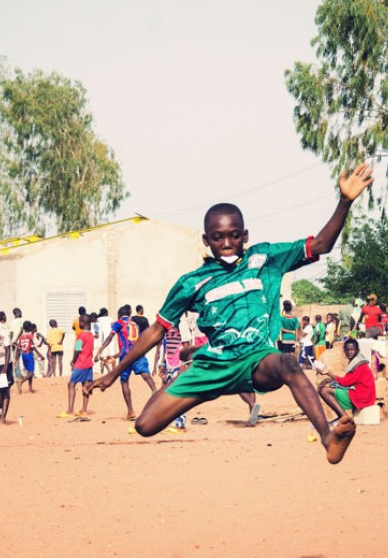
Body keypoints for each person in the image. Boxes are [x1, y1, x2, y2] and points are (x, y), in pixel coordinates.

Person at [87, 163, 373, 464]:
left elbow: (322, 244)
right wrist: (114, 372)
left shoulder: (265, 259)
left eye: (234, 236)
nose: (226, 244)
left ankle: (328, 437)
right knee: (145, 426)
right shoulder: (191, 283)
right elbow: (156, 331)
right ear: (206, 240)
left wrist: (345, 201)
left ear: (244, 235)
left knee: (288, 363)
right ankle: (195, 389)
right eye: (218, 237)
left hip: (256, 360)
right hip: (212, 367)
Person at [95, 304, 157, 420]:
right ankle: (154, 390)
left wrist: (100, 349)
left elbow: (110, 337)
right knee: (145, 374)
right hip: (138, 352)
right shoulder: (134, 324)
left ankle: (131, 411)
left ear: (119, 315)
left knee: (124, 381)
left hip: (126, 355)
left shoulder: (119, 323)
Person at [316, 338, 375, 422]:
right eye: (347, 350)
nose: (350, 352)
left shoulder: (359, 365)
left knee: (324, 391)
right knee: (330, 387)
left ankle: (343, 416)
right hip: (361, 393)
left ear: (357, 350)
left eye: (352, 349)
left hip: (362, 396)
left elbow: (345, 382)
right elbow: (347, 380)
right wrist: (329, 380)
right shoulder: (356, 361)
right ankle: (341, 416)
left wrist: (328, 373)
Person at [60, 314, 94, 418]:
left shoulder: (81, 336)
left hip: (81, 364)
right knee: (86, 386)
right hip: (89, 364)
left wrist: (73, 361)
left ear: (82, 323)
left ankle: (70, 410)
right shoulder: (91, 335)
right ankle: (84, 409)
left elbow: (78, 349)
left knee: (71, 384)